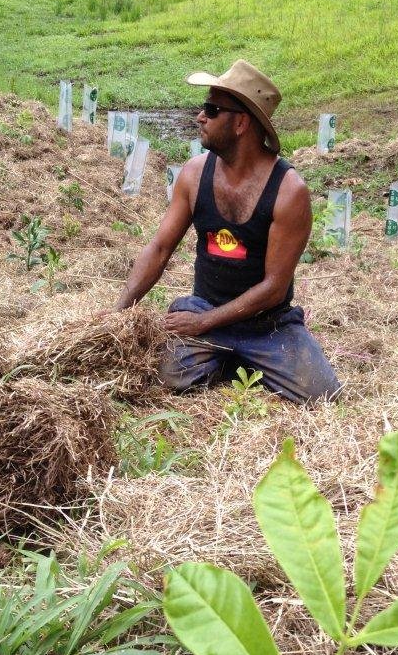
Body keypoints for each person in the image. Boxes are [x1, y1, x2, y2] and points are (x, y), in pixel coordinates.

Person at [114, 59, 341, 403]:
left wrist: (202, 324)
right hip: (204, 308)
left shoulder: (288, 191)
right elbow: (160, 247)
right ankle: (229, 360)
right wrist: (119, 312)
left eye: (211, 109)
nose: (200, 117)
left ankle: (235, 358)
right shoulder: (194, 174)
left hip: (267, 325)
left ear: (241, 123)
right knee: (163, 378)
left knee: (322, 395)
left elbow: (274, 288)